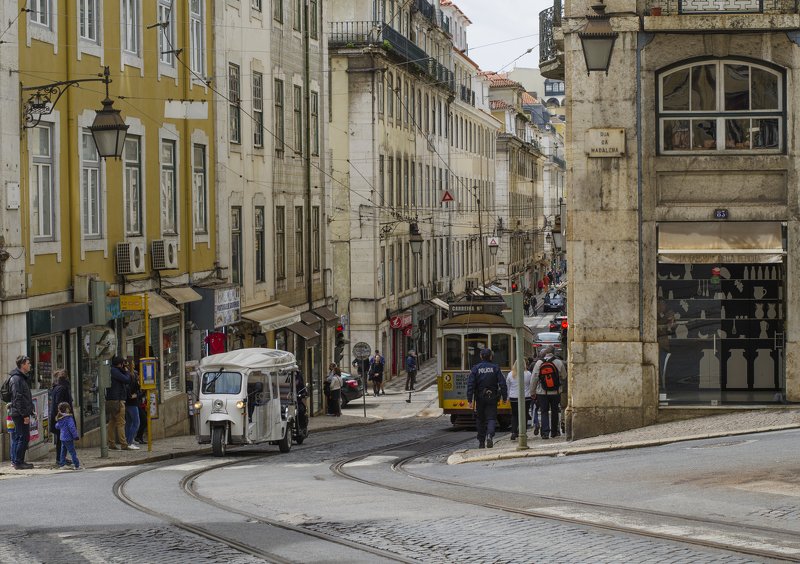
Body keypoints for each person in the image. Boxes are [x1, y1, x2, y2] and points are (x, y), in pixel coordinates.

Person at [466, 348, 508, 449]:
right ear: (491, 357)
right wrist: (504, 397)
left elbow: (470, 385)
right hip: (492, 396)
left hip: (480, 397)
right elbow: (502, 383)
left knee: (480, 420)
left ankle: (481, 442)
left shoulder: (476, 368)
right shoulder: (495, 368)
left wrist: (469, 400)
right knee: (491, 418)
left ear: (481, 356)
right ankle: (490, 435)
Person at [532, 346, 566, 440]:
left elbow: (534, 378)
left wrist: (532, 391)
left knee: (544, 412)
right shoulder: (558, 362)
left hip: (542, 392)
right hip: (556, 391)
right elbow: (564, 376)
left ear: (545, 353)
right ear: (554, 353)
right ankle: (554, 432)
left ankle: (545, 433)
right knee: (555, 411)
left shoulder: (539, 363)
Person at [8, 355, 35, 469]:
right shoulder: (17, 379)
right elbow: (18, 399)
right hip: (19, 413)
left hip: (20, 412)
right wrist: (24, 415)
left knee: (21, 437)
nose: (30, 365)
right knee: (22, 437)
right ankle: (18, 462)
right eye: (28, 363)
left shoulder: (21, 378)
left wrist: (30, 411)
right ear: (22, 365)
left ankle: (17, 461)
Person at [107, 356, 136, 450]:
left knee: (112, 422)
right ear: (120, 364)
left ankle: (111, 443)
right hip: (118, 400)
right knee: (121, 423)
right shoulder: (115, 371)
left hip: (112, 399)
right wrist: (127, 371)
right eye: (123, 363)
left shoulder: (112, 370)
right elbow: (127, 380)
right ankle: (124, 444)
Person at [49, 370, 74, 466]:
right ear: (66, 377)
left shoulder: (58, 387)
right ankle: (60, 459)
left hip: (59, 417)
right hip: (62, 418)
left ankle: (61, 457)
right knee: (62, 439)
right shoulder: (62, 388)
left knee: (62, 438)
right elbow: (59, 404)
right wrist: (64, 416)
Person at [506, 361, 532, 441]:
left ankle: (514, 432)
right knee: (524, 414)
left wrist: (508, 397)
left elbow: (508, 386)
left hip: (514, 397)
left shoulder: (510, 374)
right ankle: (523, 432)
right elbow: (531, 385)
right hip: (526, 397)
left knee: (514, 415)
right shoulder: (528, 374)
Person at [54, 402, 81, 470]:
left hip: (62, 437)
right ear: (66, 409)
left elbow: (57, 426)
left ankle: (62, 464)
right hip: (68, 438)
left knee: (63, 451)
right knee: (72, 452)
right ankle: (77, 465)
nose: (70, 409)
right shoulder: (68, 418)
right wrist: (75, 436)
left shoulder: (60, 418)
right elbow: (72, 428)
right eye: (68, 408)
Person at [124, 361, 141, 447]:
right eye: (133, 363)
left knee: (129, 423)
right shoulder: (131, 376)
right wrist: (135, 394)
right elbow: (133, 388)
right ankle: (129, 441)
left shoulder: (127, 374)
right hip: (132, 402)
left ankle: (128, 441)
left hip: (127, 402)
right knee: (136, 423)